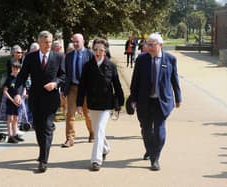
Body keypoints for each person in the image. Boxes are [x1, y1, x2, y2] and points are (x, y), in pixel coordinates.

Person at [14, 30, 65, 173]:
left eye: (50, 42)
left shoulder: (58, 57)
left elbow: (63, 76)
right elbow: (22, 77)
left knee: (47, 126)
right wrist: (18, 93)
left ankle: (43, 160)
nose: (48, 45)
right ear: (39, 42)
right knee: (38, 126)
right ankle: (43, 150)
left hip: (51, 98)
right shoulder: (30, 58)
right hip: (35, 98)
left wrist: (55, 83)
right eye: (45, 42)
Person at [129, 33, 182, 171]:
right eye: (148, 44)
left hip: (162, 101)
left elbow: (174, 79)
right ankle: (151, 149)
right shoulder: (141, 59)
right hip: (144, 101)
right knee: (146, 130)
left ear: (161, 45)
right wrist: (133, 98)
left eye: (153, 45)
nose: (150, 47)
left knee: (159, 131)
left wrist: (178, 98)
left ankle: (155, 158)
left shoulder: (170, 59)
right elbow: (135, 80)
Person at [77, 38, 124, 171]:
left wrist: (120, 102)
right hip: (92, 103)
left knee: (100, 129)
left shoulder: (111, 66)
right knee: (97, 130)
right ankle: (105, 148)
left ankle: (96, 160)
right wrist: (79, 104)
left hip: (106, 104)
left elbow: (117, 85)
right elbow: (82, 86)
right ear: (92, 50)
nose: (98, 52)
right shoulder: (87, 66)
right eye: (96, 49)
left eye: (101, 50)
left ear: (105, 51)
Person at [62, 33, 94, 148]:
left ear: (83, 41)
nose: (75, 44)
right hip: (73, 88)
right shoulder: (69, 56)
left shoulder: (90, 54)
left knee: (88, 114)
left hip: (86, 89)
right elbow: (65, 73)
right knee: (70, 114)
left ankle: (92, 133)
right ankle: (69, 139)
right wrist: (63, 90)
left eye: (77, 42)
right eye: (73, 42)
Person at [3, 62, 24, 143]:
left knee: (16, 118)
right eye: (14, 68)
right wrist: (12, 100)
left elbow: (23, 88)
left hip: (18, 101)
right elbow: (5, 91)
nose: (16, 70)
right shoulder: (9, 79)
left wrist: (21, 97)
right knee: (10, 119)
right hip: (10, 101)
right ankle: (10, 136)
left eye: (17, 69)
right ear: (12, 69)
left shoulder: (20, 79)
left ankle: (15, 134)